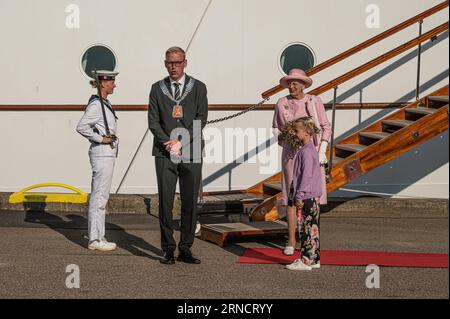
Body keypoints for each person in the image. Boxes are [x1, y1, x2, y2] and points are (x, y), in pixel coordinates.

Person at [148, 46, 208, 265]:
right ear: (165, 64)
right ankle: (167, 248)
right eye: (169, 63)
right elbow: (153, 121)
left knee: (190, 201)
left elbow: (201, 119)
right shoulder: (157, 88)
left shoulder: (199, 87)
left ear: (185, 62)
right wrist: (168, 142)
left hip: (190, 150)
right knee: (165, 201)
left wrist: (181, 141)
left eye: (177, 62)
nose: (173, 67)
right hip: (164, 151)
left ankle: (186, 247)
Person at [272, 68, 331, 256]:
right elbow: (276, 128)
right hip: (291, 155)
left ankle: (312, 240)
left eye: (296, 82)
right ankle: (291, 240)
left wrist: (322, 150)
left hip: (312, 154)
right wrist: (285, 140)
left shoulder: (315, 101)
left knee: (311, 195)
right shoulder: (282, 103)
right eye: (290, 82)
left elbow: (325, 126)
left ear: (304, 84)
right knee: (291, 196)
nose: (292, 85)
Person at [76, 70, 119, 252]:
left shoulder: (103, 103)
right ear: (103, 83)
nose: (114, 85)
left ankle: (99, 236)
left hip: (106, 154)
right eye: (111, 81)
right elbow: (82, 126)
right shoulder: (96, 105)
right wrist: (101, 139)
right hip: (102, 154)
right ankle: (95, 238)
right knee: (99, 197)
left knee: (102, 196)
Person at [285, 117, 322, 271]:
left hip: (306, 195)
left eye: (297, 130)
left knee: (306, 229)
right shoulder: (310, 149)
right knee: (313, 228)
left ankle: (305, 261)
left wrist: (299, 195)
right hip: (312, 195)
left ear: (307, 132)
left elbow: (306, 175)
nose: (294, 133)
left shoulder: (306, 152)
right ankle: (314, 259)